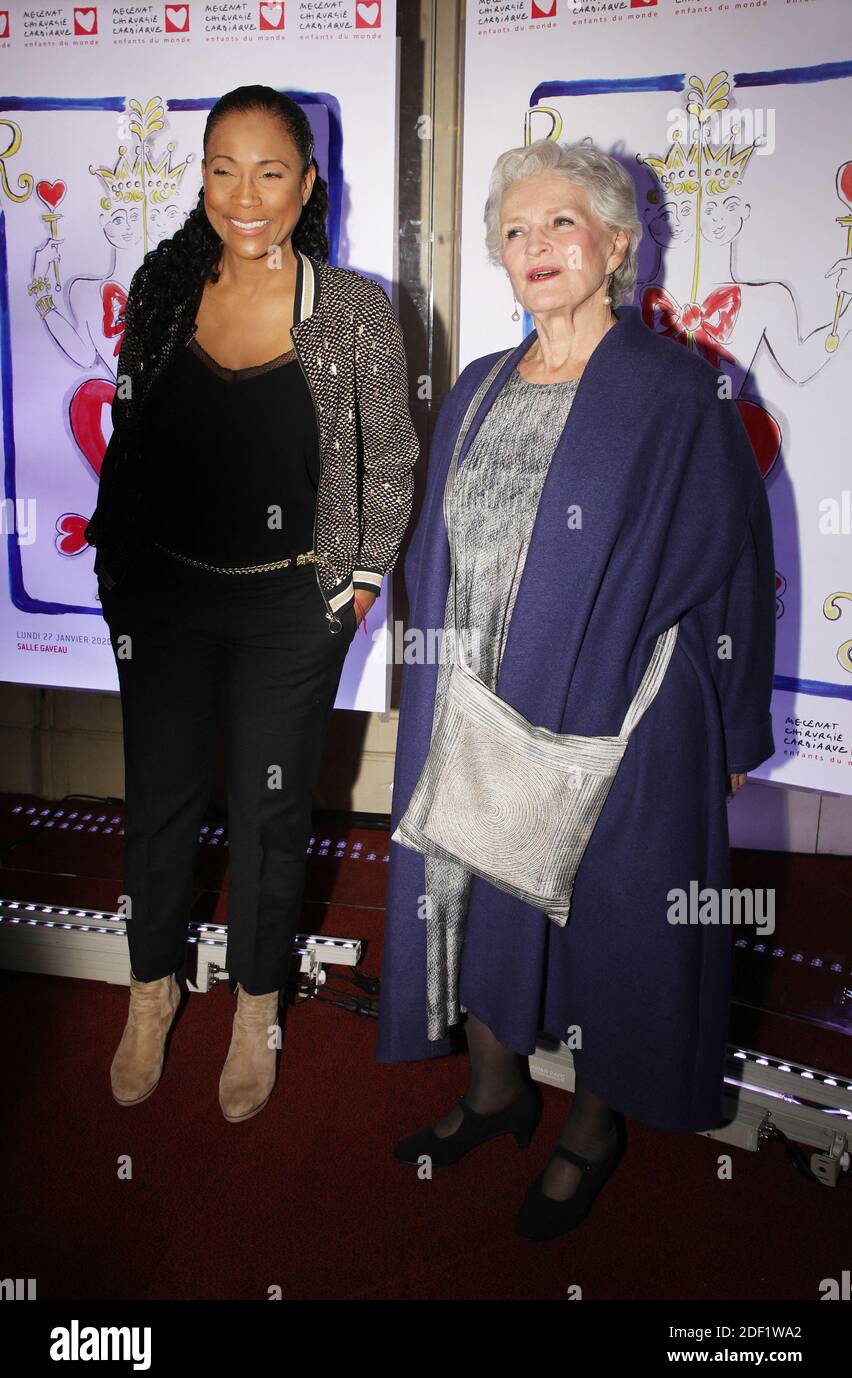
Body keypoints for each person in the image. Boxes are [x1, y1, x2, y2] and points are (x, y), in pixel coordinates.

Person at [376, 138, 776, 1240]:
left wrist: (735, 723)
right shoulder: (478, 385)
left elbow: (737, 557)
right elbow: (439, 551)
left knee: (614, 919)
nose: (535, 246)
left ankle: (594, 1127)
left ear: (613, 246)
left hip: (627, 707)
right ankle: (499, 1092)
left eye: (561, 225)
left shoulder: (676, 386)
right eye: (515, 230)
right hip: (478, 695)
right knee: (469, 891)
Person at [85, 84, 418, 1122]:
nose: (244, 192)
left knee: (272, 819)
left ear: (307, 183)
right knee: (159, 806)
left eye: (270, 169)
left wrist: (355, 590)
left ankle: (256, 1008)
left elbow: (392, 464)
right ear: (201, 177)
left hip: (290, 614)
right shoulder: (166, 285)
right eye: (223, 167)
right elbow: (132, 443)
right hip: (168, 602)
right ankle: (152, 994)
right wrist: (120, 577)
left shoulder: (356, 308)